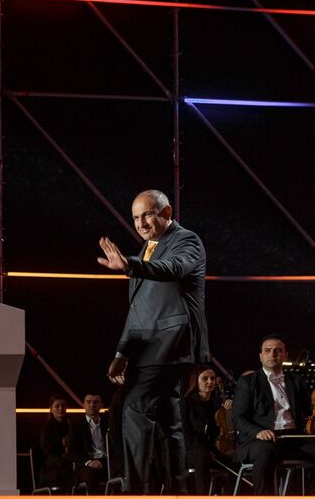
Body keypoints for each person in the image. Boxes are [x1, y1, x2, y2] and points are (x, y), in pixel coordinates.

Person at [98, 189, 209, 493]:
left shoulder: (186, 240)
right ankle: (177, 490)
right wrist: (122, 352)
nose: (141, 223)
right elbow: (138, 310)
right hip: (149, 347)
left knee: (135, 408)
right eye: (135, 218)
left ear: (166, 212)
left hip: (171, 342)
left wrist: (130, 265)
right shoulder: (146, 249)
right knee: (168, 420)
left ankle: (135, 489)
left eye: (147, 214)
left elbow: (174, 268)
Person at [232, 334, 315, 494]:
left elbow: (311, 409)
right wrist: (258, 432)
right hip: (260, 441)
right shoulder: (248, 382)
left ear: (285, 355)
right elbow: (237, 418)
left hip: (292, 438)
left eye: (278, 351)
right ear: (260, 356)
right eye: (267, 350)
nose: (273, 354)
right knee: (266, 451)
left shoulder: (296, 380)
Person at [181, 365, 234, 494]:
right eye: (205, 378)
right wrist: (204, 449)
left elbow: (223, 428)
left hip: (215, 447)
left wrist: (229, 411)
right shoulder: (186, 402)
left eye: (212, 378)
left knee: (235, 458)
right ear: (196, 381)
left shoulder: (217, 402)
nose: (210, 382)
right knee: (202, 458)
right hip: (193, 449)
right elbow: (186, 433)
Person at [70, 393, 109, 493]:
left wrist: (103, 462)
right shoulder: (76, 425)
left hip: (106, 461)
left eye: (95, 402)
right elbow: (72, 452)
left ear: (101, 405)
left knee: (124, 469)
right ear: (84, 405)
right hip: (86, 463)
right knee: (91, 474)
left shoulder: (108, 423)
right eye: (89, 402)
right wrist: (89, 462)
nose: (92, 405)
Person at [38, 394, 73, 489]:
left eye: (63, 406)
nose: (61, 409)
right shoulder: (47, 428)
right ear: (51, 409)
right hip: (54, 466)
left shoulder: (71, 424)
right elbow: (47, 452)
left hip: (71, 461)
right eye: (57, 406)